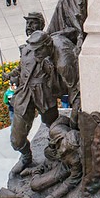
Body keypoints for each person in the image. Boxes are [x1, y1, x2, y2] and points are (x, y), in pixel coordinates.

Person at [5, 30, 62, 173]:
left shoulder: (52, 53)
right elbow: (21, 68)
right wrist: (12, 74)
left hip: (44, 94)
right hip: (24, 95)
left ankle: (57, 151)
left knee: (54, 127)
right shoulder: (25, 50)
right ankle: (26, 157)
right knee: (16, 140)